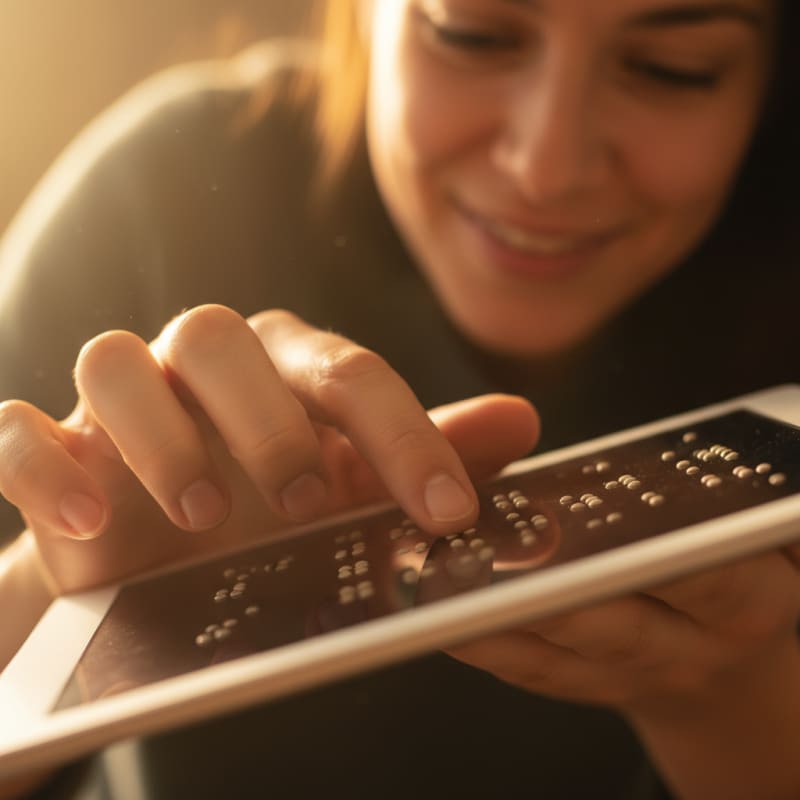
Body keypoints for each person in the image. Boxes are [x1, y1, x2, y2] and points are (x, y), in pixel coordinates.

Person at [1, 0, 799, 796]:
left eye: (673, 68)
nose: (544, 168)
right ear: (359, 19)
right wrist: (58, 587)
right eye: (473, 34)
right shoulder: (165, 192)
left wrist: (728, 712)